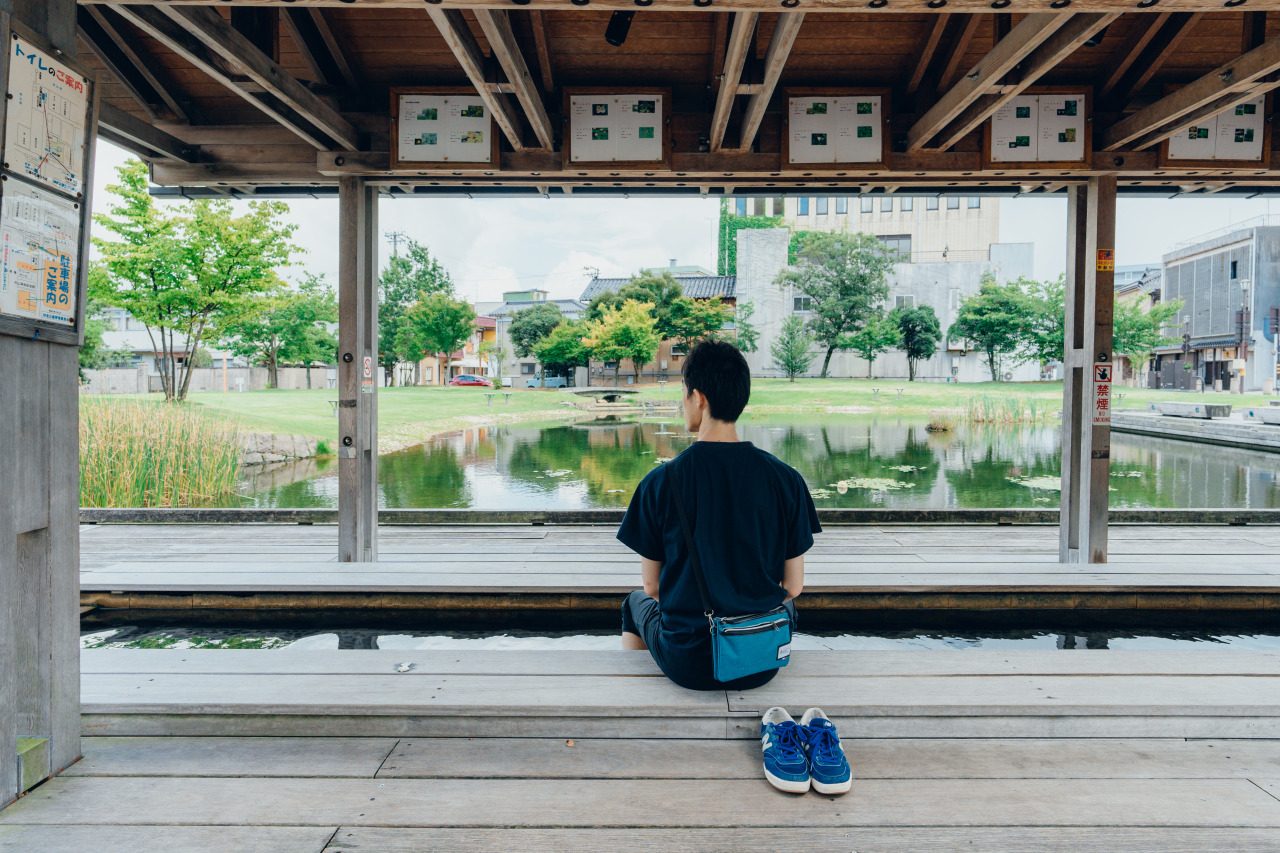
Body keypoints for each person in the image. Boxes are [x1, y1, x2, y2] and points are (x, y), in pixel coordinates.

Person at [616, 339, 821, 692]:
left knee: (632, 603)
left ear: (699, 398)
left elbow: (652, 588)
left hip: (688, 664)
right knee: (786, 609)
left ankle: (636, 692)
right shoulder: (786, 479)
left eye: (683, 395)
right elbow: (793, 587)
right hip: (759, 661)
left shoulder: (660, 483)